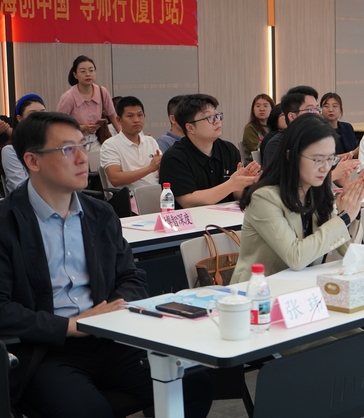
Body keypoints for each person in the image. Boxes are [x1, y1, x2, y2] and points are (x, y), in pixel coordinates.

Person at [0, 111, 213, 417]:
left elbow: (132, 276)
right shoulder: (7, 222)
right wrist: (70, 326)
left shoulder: (100, 213)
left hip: (110, 336)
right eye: (67, 149)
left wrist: (115, 310)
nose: (82, 159)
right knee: (88, 410)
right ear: (33, 161)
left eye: (83, 146)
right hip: (46, 349)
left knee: (194, 384)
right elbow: (3, 308)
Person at [231, 113, 364, 284]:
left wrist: (351, 208)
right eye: (317, 159)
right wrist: (343, 218)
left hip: (302, 287)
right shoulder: (264, 198)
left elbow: (348, 250)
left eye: (330, 159)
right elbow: (296, 257)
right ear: (291, 156)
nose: (325, 168)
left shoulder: (317, 191)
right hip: (259, 291)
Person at [158, 94, 261, 209]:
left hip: (226, 217)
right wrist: (231, 185)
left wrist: (246, 183)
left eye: (217, 115)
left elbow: (235, 194)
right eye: (209, 118)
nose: (217, 121)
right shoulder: (174, 158)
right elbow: (188, 201)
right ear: (190, 128)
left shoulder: (228, 150)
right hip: (193, 219)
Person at [262, 86, 359, 186]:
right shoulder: (277, 144)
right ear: (292, 116)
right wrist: (334, 174)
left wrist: (346, 176)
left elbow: (335, 179)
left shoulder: (318, 141)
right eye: (310, 110)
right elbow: (284, 184)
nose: (316, 114)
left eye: (317, 109)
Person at [100, 96, 161, 193]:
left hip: (157, 193)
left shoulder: (151, 141)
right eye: (130, 116)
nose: (136, 120)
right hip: (129, 196)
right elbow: (115, 179)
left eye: (140, 115)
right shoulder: (110, 145)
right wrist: (149, 169)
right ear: (119, 120)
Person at [57, 55, 121, 147]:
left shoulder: (102, 91)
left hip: (96, 140)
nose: (88, 74)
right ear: (75, 75)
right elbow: (59, 125)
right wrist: (83, 128)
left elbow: (112, 116)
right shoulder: (68, 97)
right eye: (83, 71)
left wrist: (123, 138)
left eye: (91, 70)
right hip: (74, 142)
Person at [2, 94, 46, 193]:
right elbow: (20, 186)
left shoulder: (51, 144)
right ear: (19, 118)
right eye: (32, 114)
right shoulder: (10, 150)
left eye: (42, 113)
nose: (39, 118)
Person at [320, 92, 358, 158]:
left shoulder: (347, 127)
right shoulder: (319, 130)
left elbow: (356, 153)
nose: (330, 110)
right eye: (326, 106)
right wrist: (353, 153)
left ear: (340, 109)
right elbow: (328, 159)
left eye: (334, 106)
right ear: (321, 110)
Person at [242, 93, 275, 162]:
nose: (261, 109)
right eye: (258, 106)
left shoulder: (275, 127)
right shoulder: (250, 128)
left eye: (265, 106)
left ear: (272, 109)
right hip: (257, 165)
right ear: (253, 110)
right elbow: (257, 152)